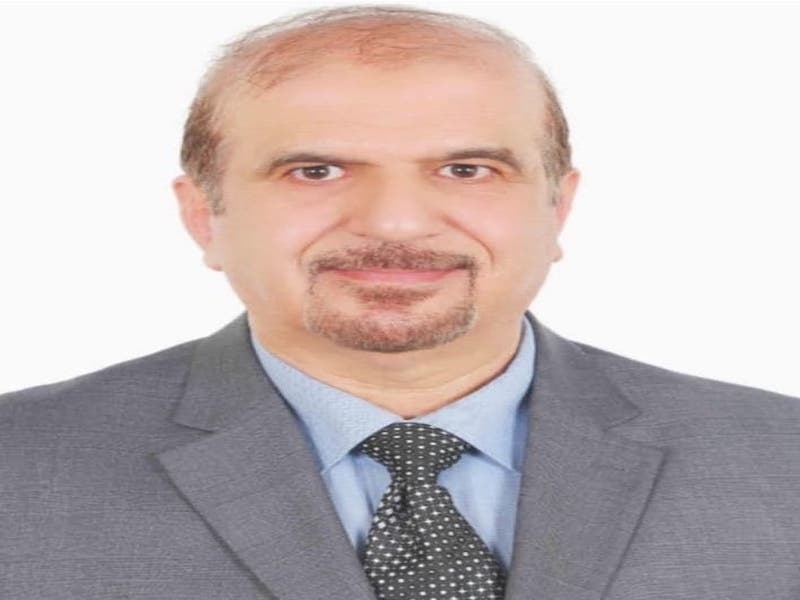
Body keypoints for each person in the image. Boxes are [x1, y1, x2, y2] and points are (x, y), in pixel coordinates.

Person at [1, 5, 798, 599]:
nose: (395, 223)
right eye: (316, 171)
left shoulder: (780, 461)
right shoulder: (18, 469)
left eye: (466, 170)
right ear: (204, 215)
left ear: (557, 209)